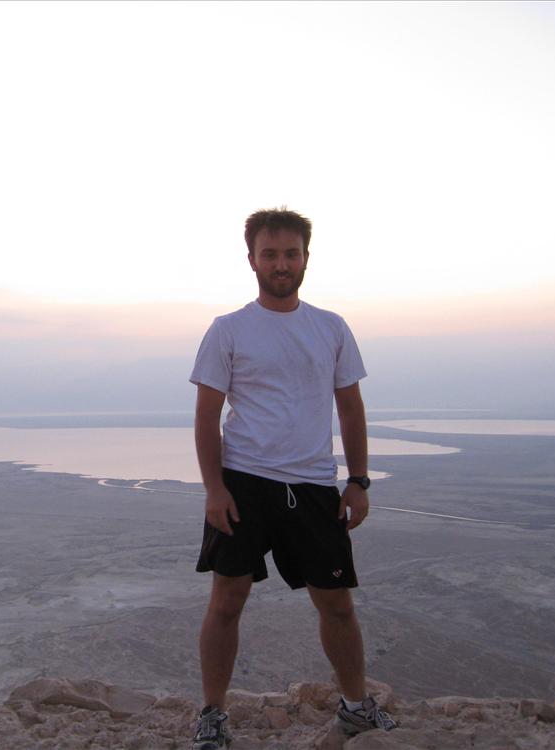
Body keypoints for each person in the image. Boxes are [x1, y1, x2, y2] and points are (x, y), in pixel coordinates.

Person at [189, 208, 396, 749]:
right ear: (252, 259)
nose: (281, 264)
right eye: (270, 254)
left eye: (290, 254)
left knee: (337, 602)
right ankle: (212, 715)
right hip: (243, 484)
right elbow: (207, 414)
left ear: (306, 257)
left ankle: (356, 707)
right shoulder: (228, 330)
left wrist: (359, 480)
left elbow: (350, 408)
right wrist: (214, 489)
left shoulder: (330, 327)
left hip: (310, 486)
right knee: (227, 600)